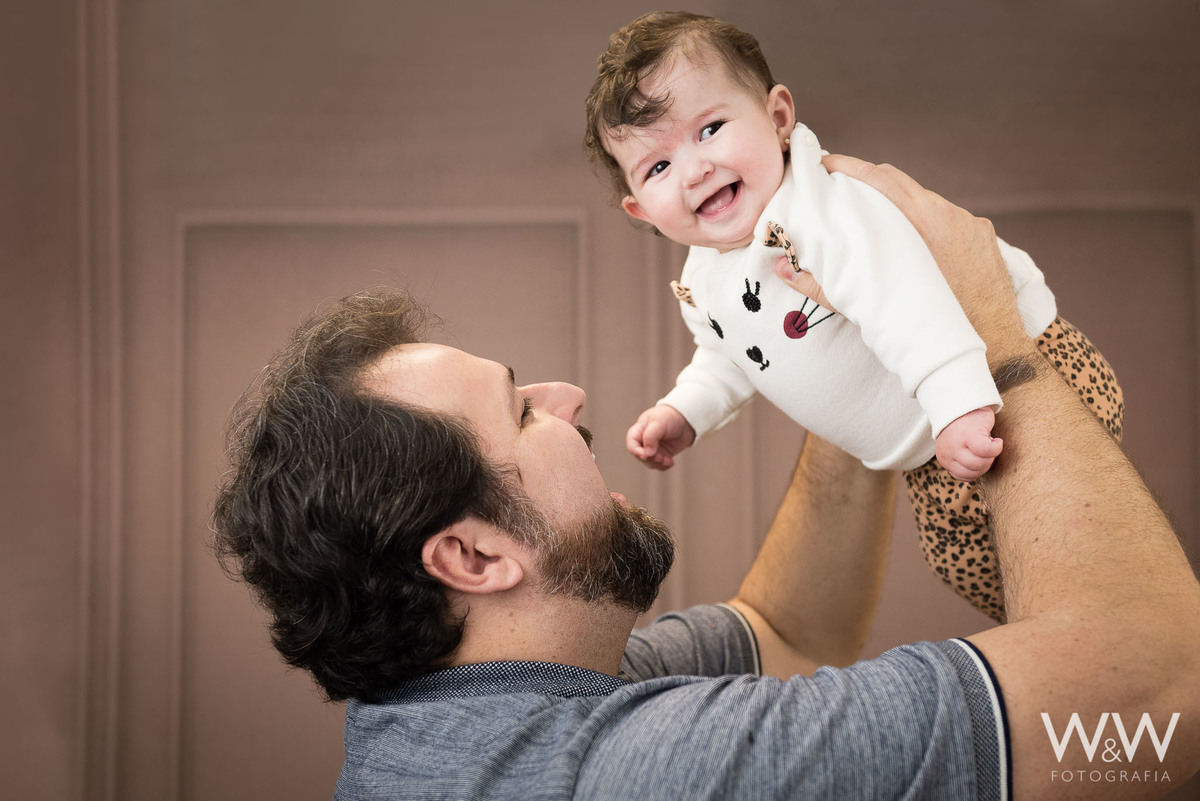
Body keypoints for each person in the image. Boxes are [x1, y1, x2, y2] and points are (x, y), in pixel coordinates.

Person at [211, 157, 1200, 800]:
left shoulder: (481, 715)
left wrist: (854, 357)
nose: (568, 397)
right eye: (520, 410)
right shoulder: (641, 773)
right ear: (472, 554)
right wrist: (978, 324)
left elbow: (789, 633)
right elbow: (1164, 697)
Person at [583, 11, 1124, 620]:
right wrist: (686, 411)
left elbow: (905, 297)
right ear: (640, 210)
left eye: (709, 129)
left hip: (1009, 386)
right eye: (658, 167)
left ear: (778, 118)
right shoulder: (705, 277)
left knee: (1082, 567)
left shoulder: (821, 210)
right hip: (930, 456)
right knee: (993, 584)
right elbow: (732, 354)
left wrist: (960, 403)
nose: (694, 169)